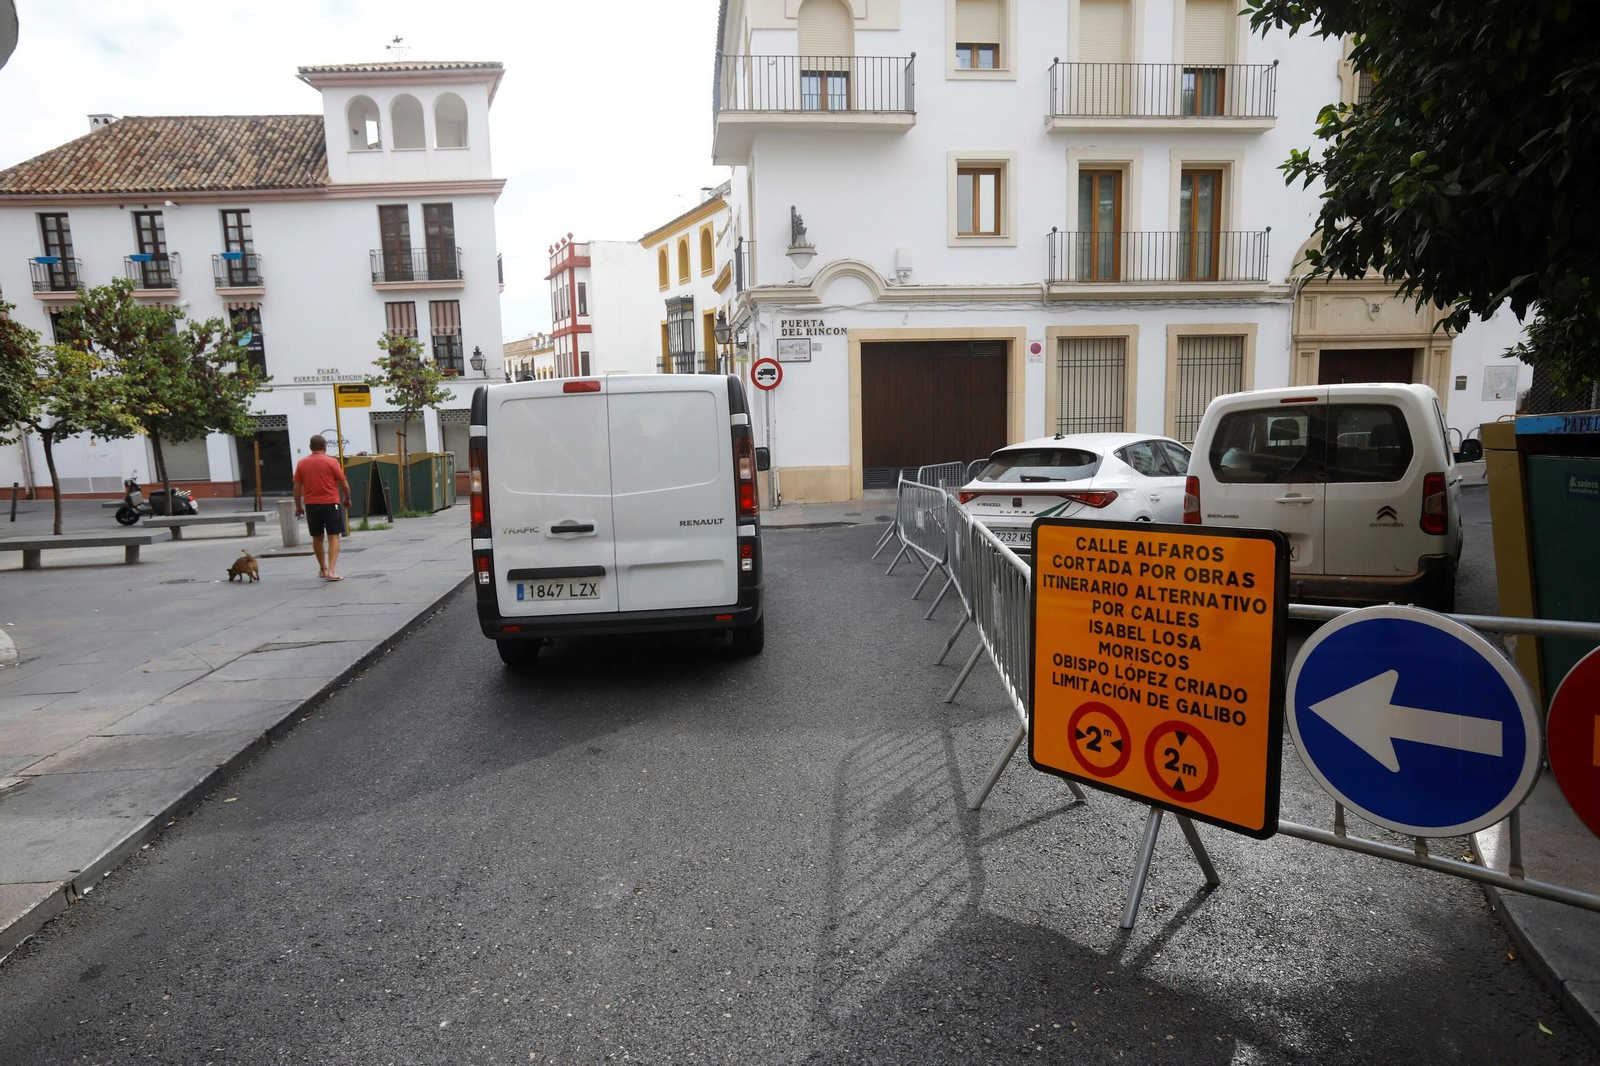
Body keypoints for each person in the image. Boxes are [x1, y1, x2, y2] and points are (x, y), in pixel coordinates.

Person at [293, 435, 351, 581]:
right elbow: (344, 484)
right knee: (334, 536)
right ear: (325, 446)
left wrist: (298, 506)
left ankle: (323, 569)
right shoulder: (332, 462)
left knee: (317, 537)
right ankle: (332, 571)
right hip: (331, 504)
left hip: (311, 505)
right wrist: (347, 498)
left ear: (310, 447)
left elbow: (297, 488)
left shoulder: (302, 463)